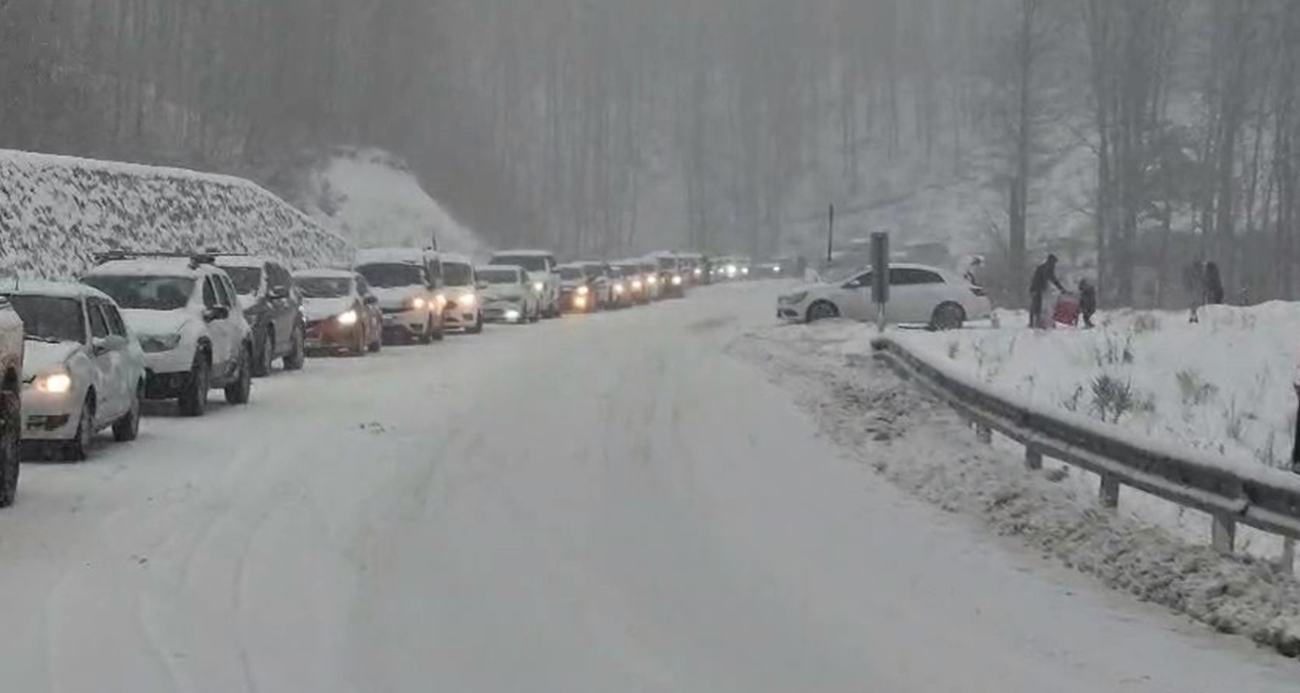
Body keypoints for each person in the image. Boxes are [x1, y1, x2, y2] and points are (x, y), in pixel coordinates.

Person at [1029, 254, 1065, 329]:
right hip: (1037, 289)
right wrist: (1061, 288)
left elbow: (1051, 278)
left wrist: (1060, 288)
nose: (1054, 265)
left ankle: (1036, 322)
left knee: (1037, 306)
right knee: (1037, 306)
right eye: (1054, 263)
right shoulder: (1047, 268)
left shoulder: (1044, 267)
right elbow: (1051, 278)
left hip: (1038, 289)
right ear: (1051, 261)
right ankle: (1035, 323)